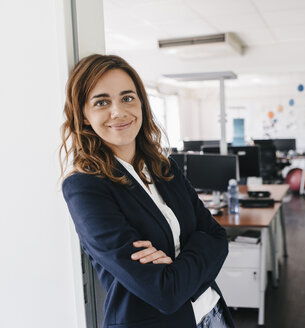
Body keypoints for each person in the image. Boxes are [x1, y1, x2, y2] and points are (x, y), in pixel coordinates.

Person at [60, 54, 234, 328]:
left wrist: (177, 263)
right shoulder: (85, 188)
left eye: (128, 97)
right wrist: (200, 245)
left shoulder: (166, 167)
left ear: (141, 103)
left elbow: (218, 237)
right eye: (102, 102)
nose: (118, 111)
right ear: (83, 115)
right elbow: (164, 292)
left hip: (211, 313)